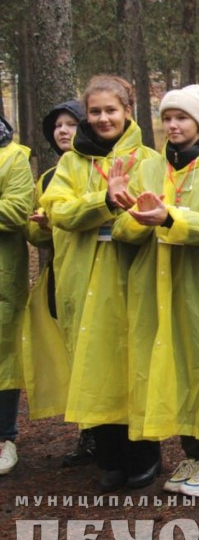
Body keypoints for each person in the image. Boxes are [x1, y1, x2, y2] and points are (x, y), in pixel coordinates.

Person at [111, 85, 199, 497]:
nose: (172, 125)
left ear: (198, 122)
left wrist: (170, 217)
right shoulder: (152, 167)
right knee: (180, 365)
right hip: (162, 284)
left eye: (181, 117)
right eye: (167, 117)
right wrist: (136, 216)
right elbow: (123, 228)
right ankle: (193, 451)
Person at [40, 75, 162, 492]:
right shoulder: (72, 164)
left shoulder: (147, 159)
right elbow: (58, 211)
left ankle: (144, 454)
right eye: (95, 112)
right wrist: (106, 201)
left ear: (127, 111)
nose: (104, 118)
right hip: (83, 277)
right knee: (94, 367)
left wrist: (126, 216)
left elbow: (150, 213)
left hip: (130, 276)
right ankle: (109, 457)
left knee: (133, 362)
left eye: (111, 110)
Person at [21, 100, 94, 465]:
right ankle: (87, 435)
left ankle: (108, 437)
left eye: (70, 123)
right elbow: (36, 237)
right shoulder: (49, 178)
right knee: (71, 355)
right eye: (57, 126)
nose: (63, 131)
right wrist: (42, 226)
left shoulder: (95, 169)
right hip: (58, 277)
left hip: (93, 275)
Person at [0, 113, 34, 476]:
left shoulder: (13, 157)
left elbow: (15, 210)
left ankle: (4, 436)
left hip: (1, 276)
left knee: (1, 358)